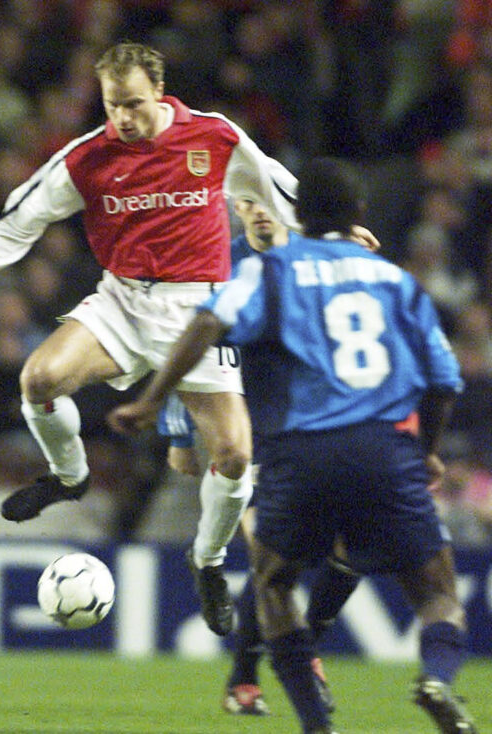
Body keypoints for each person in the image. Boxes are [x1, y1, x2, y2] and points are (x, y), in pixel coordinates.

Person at [0, 41, 303, 637]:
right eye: (113, 105)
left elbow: (279, 188)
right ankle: (69, 475)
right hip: (123, 301)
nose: (124, 117)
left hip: (198, 310)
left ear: (160, 92)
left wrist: (339, 228)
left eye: (134, 104)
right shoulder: (88, 157)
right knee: (39, 379)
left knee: (234, 456)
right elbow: (17, 224)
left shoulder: (214, 137)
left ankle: (207, 561)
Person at [108, 158, 475, 734]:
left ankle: (310, 721)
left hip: (298, 453)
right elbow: (445, 382)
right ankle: (436, 679)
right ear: (358, 214)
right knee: (437, 594)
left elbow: (206, 323)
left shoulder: (271, 271)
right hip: (384, 449)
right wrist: (426, 449)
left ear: (297, 213)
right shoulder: (396, 281)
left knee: (275, 583)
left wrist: (153, 400)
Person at [155, 198, 359, 716]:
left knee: (351, 547)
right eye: (247, 202)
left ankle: (295, 652)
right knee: (273, 556)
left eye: (267, 201)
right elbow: (188, 343)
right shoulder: (221, 266)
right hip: (253, 430)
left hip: (319, 424)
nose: (260, 211)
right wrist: (178, 433)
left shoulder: (313, 263)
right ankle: (248, 678)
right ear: (236, 209)